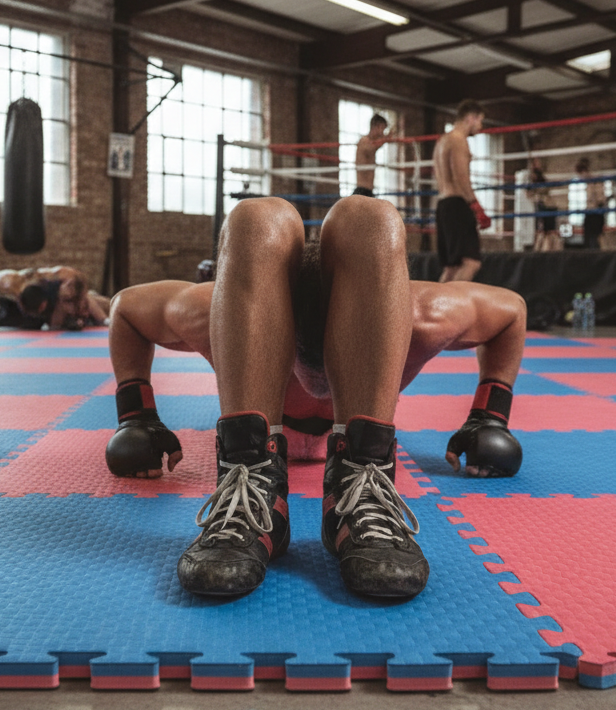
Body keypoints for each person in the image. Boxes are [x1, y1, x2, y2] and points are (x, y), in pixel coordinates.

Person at [104, 195, 525, 601]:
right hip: (258, 429)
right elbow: (124, 308)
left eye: (343, 351)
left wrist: (489, 416)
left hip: (361, 428)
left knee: (370, 219)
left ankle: (364, 477)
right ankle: (250, 481)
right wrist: (137, 417)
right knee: (256, 219)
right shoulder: (220, 314)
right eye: (312, 360)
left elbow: (510, 310)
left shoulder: (418, 319)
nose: (321, 383)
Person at [432, 99, 491, 282]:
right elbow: (461, 176)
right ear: (471, 118)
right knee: (471, 263)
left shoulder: (442, 140)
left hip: (443, 204)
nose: (480, 127)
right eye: (479, 120)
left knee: (452, 268)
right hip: (457, 204)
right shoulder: (459, 140)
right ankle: (450, 309)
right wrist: (475, 205)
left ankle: (435, 309)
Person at [0, 265, 109, 331]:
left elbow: (80, 280)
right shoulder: (11, 282)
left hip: (58, 305)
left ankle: (104, 319)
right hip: (27, 316)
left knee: (95, 301)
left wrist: (78, 306)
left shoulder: (59, 277)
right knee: (2, 317)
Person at [353, 114, 398, 197]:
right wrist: (386, 139)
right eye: (382, 129)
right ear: (376, 127)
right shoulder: (364, 141)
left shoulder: (372, 143)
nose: (382, 133)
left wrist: (386, 139)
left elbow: (374, 147)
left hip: (368, 191)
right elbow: (371, 149)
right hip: (361, 190)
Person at [530, 158, 561, 252]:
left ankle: (550, 249)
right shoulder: (535, 184)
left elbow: (542, 191)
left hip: (547, 207)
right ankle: (544, 249)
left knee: (548, 230)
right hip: (544, 206)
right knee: (543, 230)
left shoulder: (541, 183)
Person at [576, 157, 605, 250]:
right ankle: (591, 257)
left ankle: (595, 258)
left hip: (595, 214)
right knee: (589, 238)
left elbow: (601, 199)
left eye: (581, 174)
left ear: (585, 171)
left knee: (594, 239)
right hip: (591, 213)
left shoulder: (596, 181)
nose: (581, 177)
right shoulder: (589, 183)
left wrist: (596, 205)